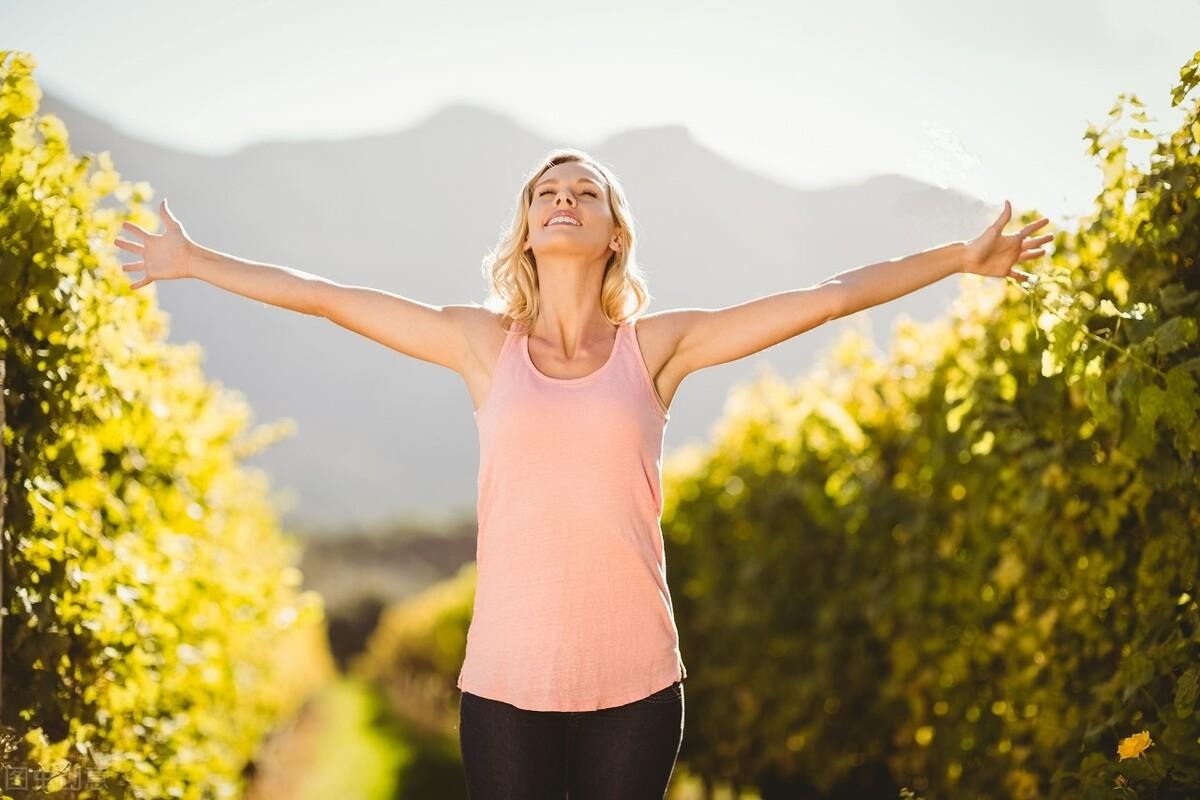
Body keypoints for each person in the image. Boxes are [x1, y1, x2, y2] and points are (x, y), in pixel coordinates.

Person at [113, 147, 1049, 798]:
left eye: (586, 192)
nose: (563, 198)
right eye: (546, 191)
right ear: (524, 231)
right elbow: (326, 300)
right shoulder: (484, 346)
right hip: (503, 684)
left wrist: (959, 260)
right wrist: (194, 263)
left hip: (638, 685)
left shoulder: (660, 349)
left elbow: (827, 298)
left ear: (613, 235)